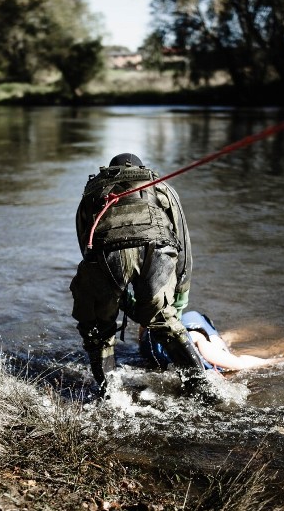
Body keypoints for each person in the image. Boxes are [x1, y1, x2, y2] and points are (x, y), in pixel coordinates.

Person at [70, 153, 205, 395]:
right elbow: (183, 245)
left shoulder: (93, 191)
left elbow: (87, 248)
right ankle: (202, 388)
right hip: (158, 249)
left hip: (106, 254)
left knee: (97, 330)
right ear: (141, 169)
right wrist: (180, 299)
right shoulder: (161, 187)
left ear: (109, 172)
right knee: (165, 322)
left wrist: (117, 297)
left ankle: (110, 397)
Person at [140, 311, 284, 372]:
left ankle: (227, 338)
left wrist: (277, 360)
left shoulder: (203, 355)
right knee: (225, 356)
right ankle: (227, 337)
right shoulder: (152, 349)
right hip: (185, 325)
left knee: (232, 360)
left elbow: (240, 363)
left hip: (195, 328)